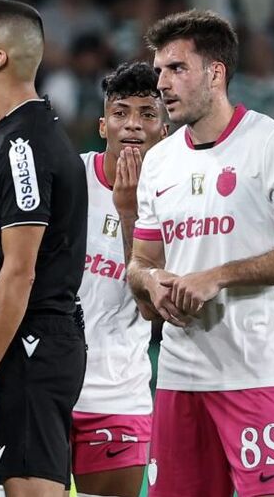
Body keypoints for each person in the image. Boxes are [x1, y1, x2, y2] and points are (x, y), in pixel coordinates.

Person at [127, 9, 274, 497]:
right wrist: (152, 283)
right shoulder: (159, 161)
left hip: (258, 374)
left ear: (215, 73)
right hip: (179, 377)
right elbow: (140, 264)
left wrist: (216, 276)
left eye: (177, 68)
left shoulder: (273, 143)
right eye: (159, 71)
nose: (162, 83)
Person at [0, 0, 88, 497]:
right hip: (26, 347)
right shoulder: (12, 137)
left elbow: (19, 271)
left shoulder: (22, 146)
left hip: (33, 347)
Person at [72, 62, 167, 497]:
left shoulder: (173, 200)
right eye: (121, 112)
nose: (132, 124)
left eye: (147, 114)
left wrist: (129, 211)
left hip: (118, 399)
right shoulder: (67, 180)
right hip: (46, 389)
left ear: (164, 130)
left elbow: (151, 308)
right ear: (102, 125)